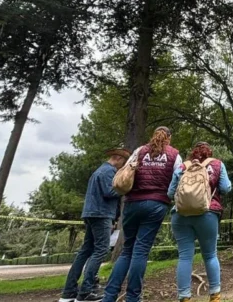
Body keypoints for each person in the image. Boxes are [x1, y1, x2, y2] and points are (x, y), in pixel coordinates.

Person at [102, 127, 182, 302]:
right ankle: (133, 297)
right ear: (169, 137)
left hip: (132, 203)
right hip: (156, 204)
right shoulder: (174, 155)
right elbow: (178, 179)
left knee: (127, 251)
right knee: (141, 251)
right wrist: (168, 197)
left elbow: (126, 171)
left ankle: (108, 296)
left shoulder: (140, 151)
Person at [59, 148, 130, 302]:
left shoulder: (99, 171)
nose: (121, 166)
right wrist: (125, 187)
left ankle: (69, 291)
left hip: (92, 213)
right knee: (101, 249)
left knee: (85, 251)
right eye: (122, 163)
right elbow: (109, 192)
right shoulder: (108, 171)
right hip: (101, 213)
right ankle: (86, 291)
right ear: (117, 158)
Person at [168, 142, 231, 302]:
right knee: (210, 255)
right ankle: (215, 296)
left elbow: (170, 192)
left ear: (192, 154)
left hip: (181, 214)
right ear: (209, 153)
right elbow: (225, 188)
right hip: (208, 212)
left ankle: (184, 297)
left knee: (184, 257)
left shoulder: (183, 167)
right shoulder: (217, 164)